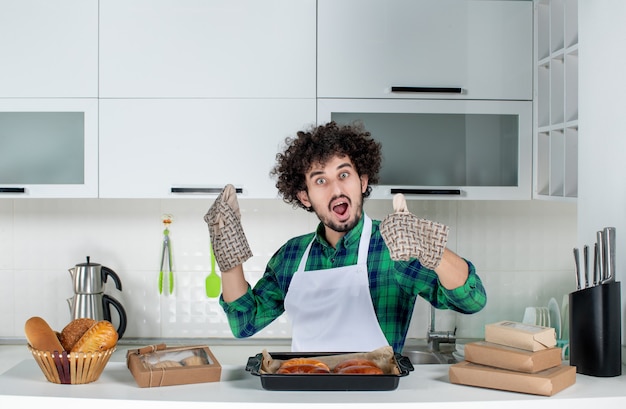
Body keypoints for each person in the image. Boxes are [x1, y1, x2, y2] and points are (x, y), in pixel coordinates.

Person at [205, 121, 486, 353]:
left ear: (362, 181)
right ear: (304, 197)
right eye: (320, 180)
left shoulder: (395, 246)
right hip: (305, 393)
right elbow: (243, 325)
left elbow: (472, 300)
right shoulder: (291, 256)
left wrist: (430, 247)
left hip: (377, 398)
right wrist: (228, 255)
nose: (336, 189)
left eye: (344, 174)